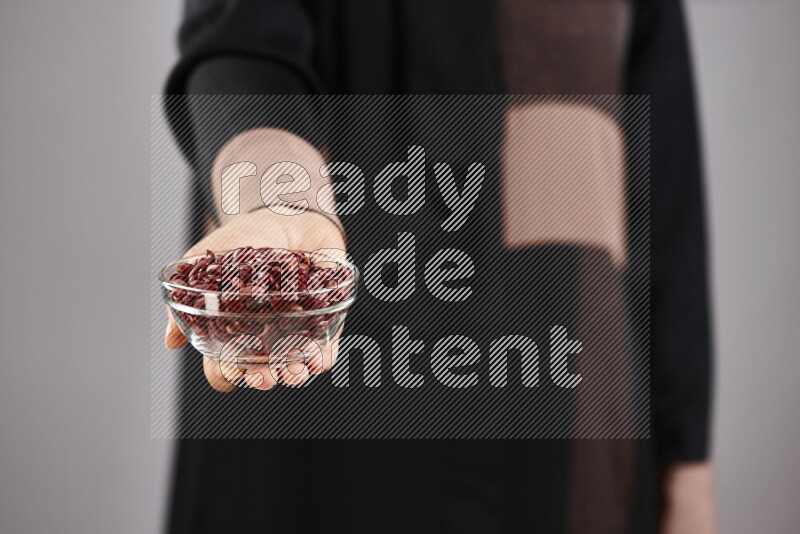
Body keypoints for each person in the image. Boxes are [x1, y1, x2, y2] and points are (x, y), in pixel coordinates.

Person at [162, 1, 716, 532]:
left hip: (567, 411)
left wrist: (687, 469)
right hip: (324, 402)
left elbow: (662, 184)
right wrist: (278, 202)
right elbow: (240, 52)